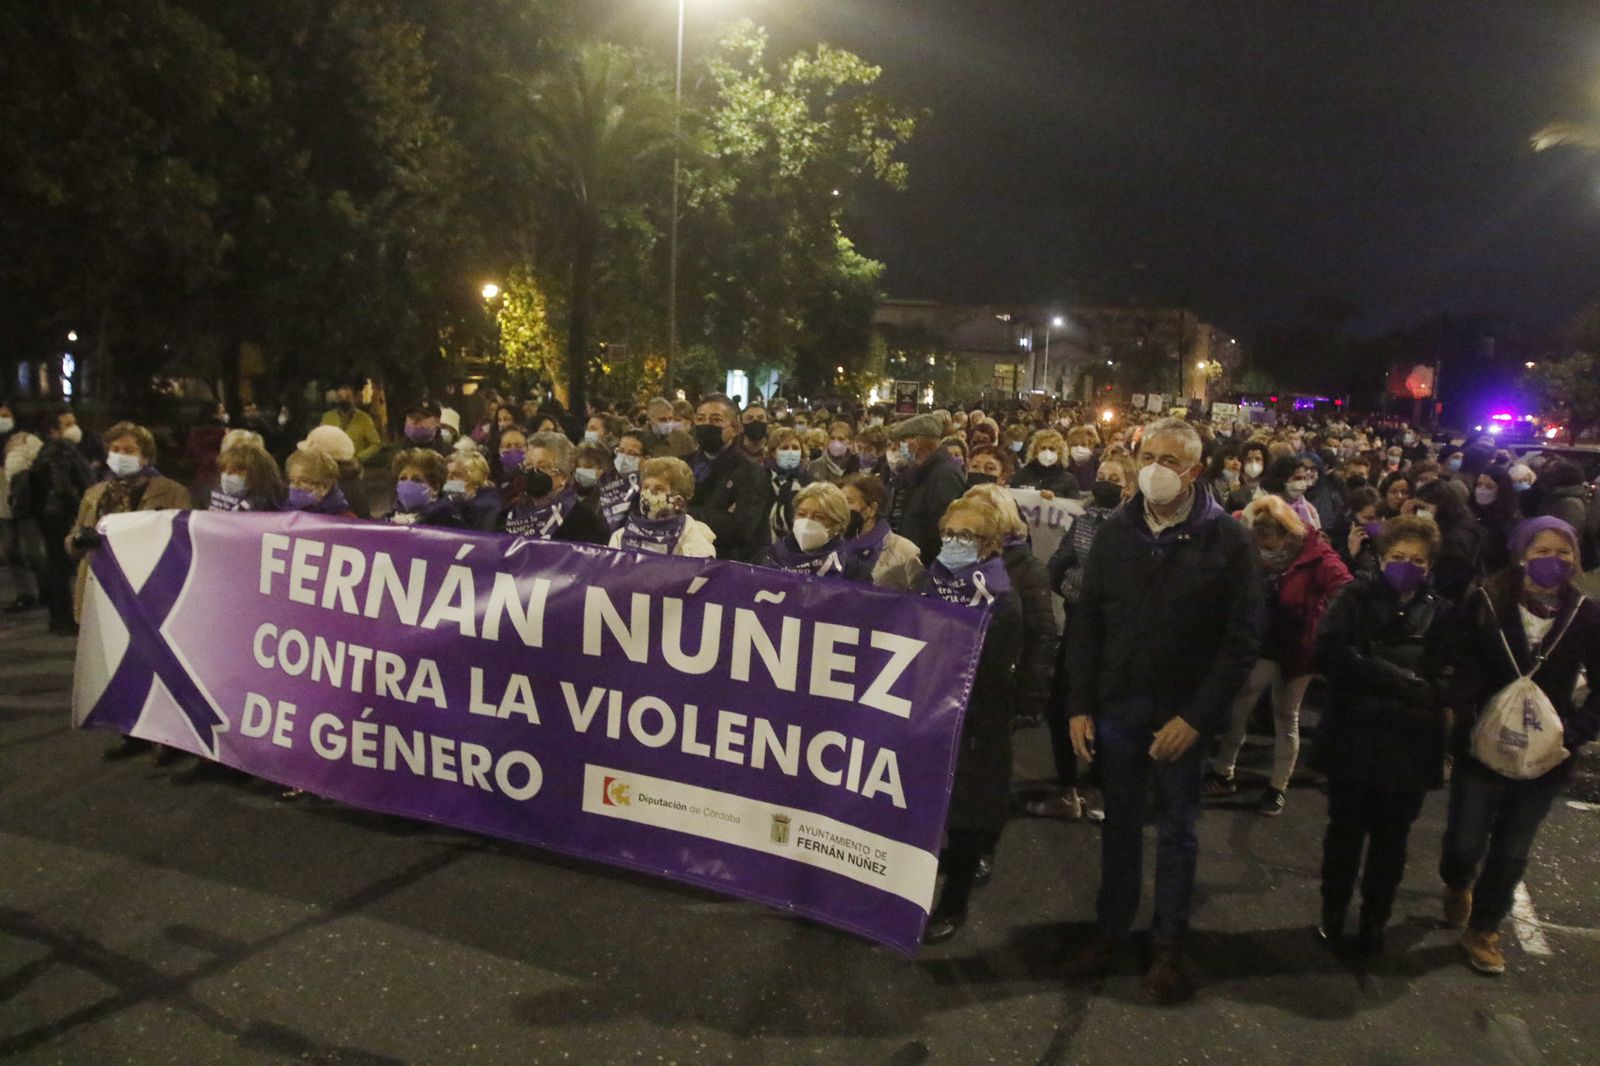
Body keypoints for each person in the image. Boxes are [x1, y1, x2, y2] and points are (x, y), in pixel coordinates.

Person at [1063, 417, 1262, 1003]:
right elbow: (1088, 622)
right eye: (1147, 454)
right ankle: (1111, 927)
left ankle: (1168, 943)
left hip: (1183, 713)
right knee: (1119, 823)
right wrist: (1079, 704)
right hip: (1121, 706)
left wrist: (1198, 717)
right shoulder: (1117, 532)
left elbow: (1241, 640)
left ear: (1195, 471)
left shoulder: (1229, 540)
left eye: (1169, 460)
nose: (1155, 468)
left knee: (1177, 831)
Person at [1437, 516, 1600, 975]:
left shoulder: (1585, 614)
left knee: (1511, 848)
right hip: (1483, 745)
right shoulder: (1488, 600)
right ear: (1521, 553)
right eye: (1543, 549)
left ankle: (1485, 928)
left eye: (1564, 551)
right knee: (1465, 842)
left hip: (1546, 756)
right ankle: (1456, 882)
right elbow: (1455, 657)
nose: (1554, 560)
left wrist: (1574, 733)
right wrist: (1463, 712)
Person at [1310, 515, 1449, 954]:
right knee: (1344, 834)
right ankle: (1333, 910)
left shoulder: (1441, 611)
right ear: (1381, 557)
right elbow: (1330, 652)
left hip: (1409, 745)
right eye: (1397, 557)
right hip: (1354, 736)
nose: (1407, 566)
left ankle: (1374, 919)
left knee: (1392, 842)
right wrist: (1400, 681)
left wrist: (1428, 692)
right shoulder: (1355, 596)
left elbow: (1449, 673)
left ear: (1430, 565)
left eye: (1417, 560)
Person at [917, 497, 1024, 944]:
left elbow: (994, 675)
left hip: (975, 723)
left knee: (965, 815)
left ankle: (954, 903)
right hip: (927, 710)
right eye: (950, 534)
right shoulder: (933, 579)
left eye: (968, 536)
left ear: (990, 545)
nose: (955, 543)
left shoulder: (1000, 598)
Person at [1208, 495, 1351, 814]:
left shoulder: (1316, 555)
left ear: (1286, 535)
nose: (1262, 549)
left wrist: (1318, 622)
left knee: (1287, 716)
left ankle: (1277, 787)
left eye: (1267, 542)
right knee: (1239, 706)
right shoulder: (1255, 546)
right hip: (1261, 642)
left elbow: (1345, 589)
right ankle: (1223, 772)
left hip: (1298, 649)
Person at [1033, 453, 1136, 820]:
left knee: (1107, 709)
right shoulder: (1082, 522)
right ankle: (1067, 789)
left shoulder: (1135, 528)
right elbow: (1056, 566)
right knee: (1062, 704)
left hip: (1116, 635)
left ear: (1128, 487)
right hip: (1078, 625)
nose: (1105, 481)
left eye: (1114, 477)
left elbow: (1125, 586)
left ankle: (1100, 789)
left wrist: (1090, 591)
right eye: (1102, 475)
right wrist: (1082, 593)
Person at [66, 422, 192, 628]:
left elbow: (182, 542)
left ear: (145, 457)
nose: (120, 455)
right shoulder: (95, 493)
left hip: (145, 586)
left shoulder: (172, 492)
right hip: (101, 585)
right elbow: (73, 540)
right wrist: (79, 540)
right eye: (115, 450)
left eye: (129, 450)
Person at [23, 414, 96, 633]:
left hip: (47, 515)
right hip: (61, 515)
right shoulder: (60, 450)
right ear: (55, 429)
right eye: (68, 424)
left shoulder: (46, 450)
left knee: (55, 565)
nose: (75, 428)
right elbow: (63, 485)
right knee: (62, 567)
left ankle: (58, 617)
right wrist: (81, 506)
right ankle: (65, 618)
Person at [687, 394, 771, 561]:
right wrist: (719, 514)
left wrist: (684, 512)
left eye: (716, 420)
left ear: (735, 428)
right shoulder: (682, 464)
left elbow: (740, 530)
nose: (706, 425)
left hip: (732, 564)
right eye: (701, 419)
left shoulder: (750, 472)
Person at [498, 432, 609, 543]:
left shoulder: (585, 524)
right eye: (529, 465)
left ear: (564, 476)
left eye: (543, 467)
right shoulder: (507, 517)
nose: (533, 472)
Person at [888, 413, 967, 565]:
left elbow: (940, 528)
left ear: (917, 442)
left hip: (926, 564)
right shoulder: (919, 472)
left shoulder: (943, 475)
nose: (898, 449)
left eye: (903, 442)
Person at [753, 481, 873, 581]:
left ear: (837, 525)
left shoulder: (854, 571)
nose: (807, 521)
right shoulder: (769, 557)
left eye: (818, 517)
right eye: (801, 514)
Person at [608, 457, 716, 557]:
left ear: (679, 501)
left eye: (658, 489)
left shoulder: (696, 542)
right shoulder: (620, 536)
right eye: (645, 487)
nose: (647, 495)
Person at [839, 473, 924, 590]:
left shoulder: (905, 552)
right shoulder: (832, 543)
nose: (841, 508)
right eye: (839, 502)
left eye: (848, 502)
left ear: (872, 509)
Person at [1412, 478, 1484, 604]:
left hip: (1443, 599)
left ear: (1441, 505)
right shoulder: (1451, 524)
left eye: (1423, 507)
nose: (1420, 513)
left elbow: (1441, 571)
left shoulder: (1457, 538)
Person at [1, 412, 44, 612]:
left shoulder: (27, 440)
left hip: (26, 507)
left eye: (5, 414)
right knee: (11, 550)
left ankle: (46, 590)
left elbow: (42, 470)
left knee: (34, 551)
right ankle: (24, 594)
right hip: (3, 506)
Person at [384, 449, 465, 528]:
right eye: (403, 478)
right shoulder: (389, 518)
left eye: (417, 480)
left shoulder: (449, 521)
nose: (407, 484)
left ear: (435, 489)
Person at [766, 428, 813, 541]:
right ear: (773, 452)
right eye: (785, 448)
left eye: (795, 448)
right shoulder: (762, 477)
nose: (790, 452)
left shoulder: (810, 482)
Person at [209, 440, 283, 512]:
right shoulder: (214, 491)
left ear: (256, 473)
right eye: (223, 470)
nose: (226, 476)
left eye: (234, 471)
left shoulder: (264, 504)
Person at [321, 382, 383, 464]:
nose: (344, 401)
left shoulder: (364, 418)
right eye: (340, 397)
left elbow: (376, 444)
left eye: (348, 397)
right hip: (332, 466)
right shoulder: (327, 417)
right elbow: (320, 441)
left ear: (354, 398)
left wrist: (358, 458)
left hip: (354, 469)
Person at [281, 447, 355, 516]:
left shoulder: (344, 519)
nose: (294, 487)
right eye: (292, 481)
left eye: (303, 481)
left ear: (325, 487)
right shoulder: (283, 512)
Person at [597, 430, 645, 532]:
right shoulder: (605, 480)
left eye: (631, 453)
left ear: (646, 458)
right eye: (621, 451)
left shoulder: (647, 488)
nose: (623, 457)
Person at [1012, 430, 1080, 497]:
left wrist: (1055, 498)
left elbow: (1074, 505)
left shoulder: (1069, 480)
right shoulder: (1021, 475)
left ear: (1059, 453)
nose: (1047, 452)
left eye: (1052, 449)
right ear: (1035, 452)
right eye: (1043, 448)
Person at [446, 451, 501, 531]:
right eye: (447, 474)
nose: (449, 480)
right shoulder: (459, 501)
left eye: (457, 475)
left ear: (475, 478)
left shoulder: (486, 508)